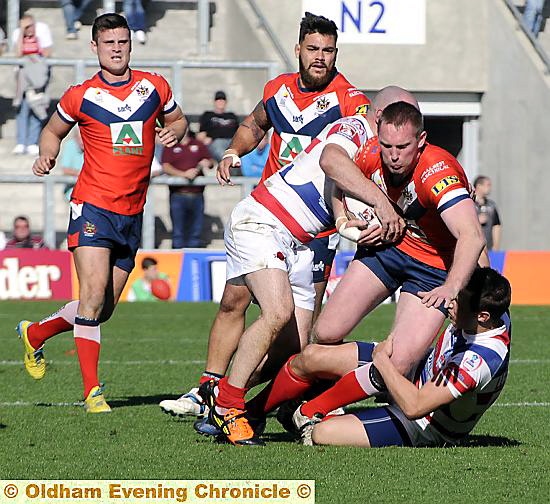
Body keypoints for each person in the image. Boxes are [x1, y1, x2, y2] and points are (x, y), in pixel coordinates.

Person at [159, 11, 371, 419]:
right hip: (269, 219)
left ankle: (250, 394)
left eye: (328, 51)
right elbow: (254, 125)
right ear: (298, 49)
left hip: (316, 231)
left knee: (296, 336)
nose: (320, 58)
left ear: (336, 53)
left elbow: (359, 149)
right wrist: (234, 150)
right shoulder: (278, 90)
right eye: (312, 49)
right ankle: (208, 389)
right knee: (233, 301)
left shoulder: (350, 100)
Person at [250, 101, 486, 435]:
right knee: (327, 332)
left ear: (421, 141)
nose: (393, 155)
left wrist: (452, 287)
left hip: (432, 269)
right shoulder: (371, 151)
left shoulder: (438, 171)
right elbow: (335, 174)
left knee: (399, 361)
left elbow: (472, 236)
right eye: (387, 145)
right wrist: (342, 214)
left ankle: (310, 409)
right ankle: (300, 396)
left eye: (402, 147)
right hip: (387, 249)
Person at [18, 13, 187, 414]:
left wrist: (174, 132)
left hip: (132, 214)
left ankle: (37, 333)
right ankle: (93, 392)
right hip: (92, 206)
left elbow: (179, 121)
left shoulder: (154, 87)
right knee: (91, 298)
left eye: (123, 42)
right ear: (94, 47)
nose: (116, 48)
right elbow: (52, 131)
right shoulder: (80, 95)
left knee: (102, 309)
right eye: (108, 42)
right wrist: (47, 154)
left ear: (130, 44)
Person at [259, 268, 511, 447]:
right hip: (414, 370)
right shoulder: (493, 307)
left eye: (459, 303)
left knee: (322, 434)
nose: (450, 304)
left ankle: (310, 409)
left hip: (424, 423)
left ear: (483, 317)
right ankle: (253, 413)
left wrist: (383, 361)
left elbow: (415, 407)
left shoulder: (477, 362)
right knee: (311, 356)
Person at [162, 130, 214, 248]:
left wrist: (207, 163)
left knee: (195, 232)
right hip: (178, 194)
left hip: (197, 194)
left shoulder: (198, 144)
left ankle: (193, 260)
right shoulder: (170, 145)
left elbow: (210, 162)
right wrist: (183, 174)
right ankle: (177, 262)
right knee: (178, 232)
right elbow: (165, 166)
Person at [11, 13, 53, 156]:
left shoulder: (42, 32)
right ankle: (21, 142)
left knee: (37, 106)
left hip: (38, 76)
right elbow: (17, 54)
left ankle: (33, 141)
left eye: (30, 26)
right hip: (23, 77)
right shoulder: (18, 34)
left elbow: (47, 53)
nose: (29, 29)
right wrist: (22, 33)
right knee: (22, 108)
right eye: (26, 27)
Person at [197, 91, 239, 162]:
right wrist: (204, 139)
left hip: (232, 142)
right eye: (218, 99)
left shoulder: (232, 115)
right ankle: (229, 164)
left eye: (222, 99)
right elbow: (201, 134)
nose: (220, 101)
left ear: (226, 102)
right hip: (215, 142)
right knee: (219, 145)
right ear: (214, 102)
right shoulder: (207, 115)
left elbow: (238, 133)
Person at [474, 175, 501, 251]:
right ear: (479, 186)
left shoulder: (491, 206)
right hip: (472, 248)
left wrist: (496, 246)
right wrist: (476, 220)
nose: (490, 188)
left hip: (488, 249)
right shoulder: (469, 203)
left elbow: (496, 226)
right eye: (488, 185)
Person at [59, 127, 84, 201]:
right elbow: (65, 170)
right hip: (74, 191)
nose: (82, 142)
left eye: (84, 138)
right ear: (75, 138)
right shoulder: (70, 145)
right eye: (80, 138)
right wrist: (84, 174)